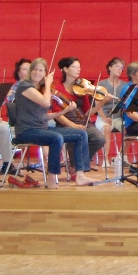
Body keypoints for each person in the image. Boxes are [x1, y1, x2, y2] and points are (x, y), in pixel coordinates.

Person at [12, 58, 100, 186]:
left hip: (42, 128)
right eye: (35, 69)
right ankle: (52, 178)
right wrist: (48, 83)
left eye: (41, 70)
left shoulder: (40, 89)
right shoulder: (24, 86)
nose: (37, 72)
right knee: (56, 138)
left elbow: (45, 116)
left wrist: (65, 111)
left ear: (45, 73)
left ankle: (80, 175)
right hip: (26, 131)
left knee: (81, 134)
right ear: (30, 71)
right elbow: (46, 103)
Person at [51, 57, 107, 171]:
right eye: (75, 67)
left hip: (82, 122)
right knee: (77, 134)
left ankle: (77, 164)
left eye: (79, 67)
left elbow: (87, 112)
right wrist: (73, 125)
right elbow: (57, 114)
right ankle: (77, 166)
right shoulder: (58, 89)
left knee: (99, 138)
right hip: (66, 124)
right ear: (65, 69)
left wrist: (102, 102)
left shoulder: (82, 88)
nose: (78, 70)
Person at [96, 57, 127, 161]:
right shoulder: (102, 84)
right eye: (117, 66)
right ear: (110, 67)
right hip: (103, 117)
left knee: (129, 129)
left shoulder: (124, 85)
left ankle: (120, 157)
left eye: (121, 68)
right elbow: (97, 104)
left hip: (118, 118)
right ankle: (105, 160)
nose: (119, 69)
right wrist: (104, 118)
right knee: (107, 129)